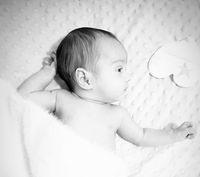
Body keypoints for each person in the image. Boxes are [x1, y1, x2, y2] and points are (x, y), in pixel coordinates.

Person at [17, 27, 196, 152]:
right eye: (119, 69)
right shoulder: (60, 98)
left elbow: (142, 136)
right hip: (61, 172)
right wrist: (46, 74)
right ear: (85, 79)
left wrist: (173, 135)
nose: (128, 76)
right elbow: (20, 101)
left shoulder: (117, 114)